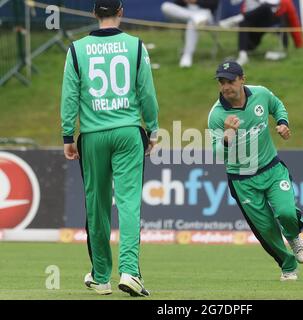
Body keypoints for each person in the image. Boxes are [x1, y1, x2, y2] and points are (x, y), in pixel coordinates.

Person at [60, 0, 159, 296]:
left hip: (92, 135)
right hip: (128, 131)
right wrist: (152, 128)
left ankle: (101, 276)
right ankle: (129, 272)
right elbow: (146, 92)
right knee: (128, 203)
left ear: (93, 14)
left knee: (97, 206)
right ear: (121, 12)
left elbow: (69, 95)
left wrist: (68, 135)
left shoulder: (77, 49)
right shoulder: (136, 45)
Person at [207, 61, 303, 281]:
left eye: (230, 81)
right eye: (222, 82)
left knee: (286, 213)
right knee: (267, 231)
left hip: (271, 169)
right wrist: (227, 136)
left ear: (242, 79)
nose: (226, 87)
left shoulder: (260, 94)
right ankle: (288, 267)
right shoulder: (216, 115)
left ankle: (293, 236)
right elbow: (216, 153)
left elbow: (277, 105)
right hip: (242, 180)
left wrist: (282, 122)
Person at [218, 0, 303, 65]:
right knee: (244, 22)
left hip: (271, 21)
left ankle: (237, 18)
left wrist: (298, 43)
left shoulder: (285, 1)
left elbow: (293, 20)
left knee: (265, 7)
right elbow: (236, 3)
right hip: (255, 23)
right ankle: (243, 55)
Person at [161, 0, 220, 68]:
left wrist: (195, 1)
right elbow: (177, 3)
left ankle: (187, 55)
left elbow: (214, 4)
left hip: (205, 14)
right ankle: (195, 16)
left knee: (192, 22)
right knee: (165, 6)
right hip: (185, 13)